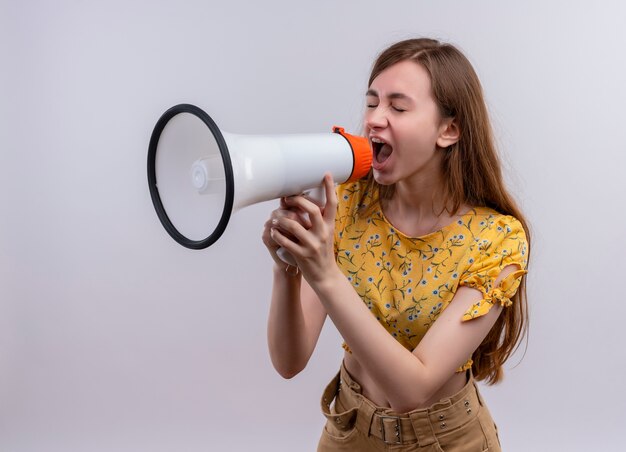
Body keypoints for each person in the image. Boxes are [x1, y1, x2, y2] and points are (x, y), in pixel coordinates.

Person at [262, 37, 530, 451]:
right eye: (372, 103)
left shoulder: (497, 242)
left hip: (448, 441)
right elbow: (288, 361)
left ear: (449, 129)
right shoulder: (346, 204)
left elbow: (413, 389)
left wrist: (326, 274)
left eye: (398, 107)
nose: (373, 119)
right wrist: (289, 268)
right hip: (349, 432)